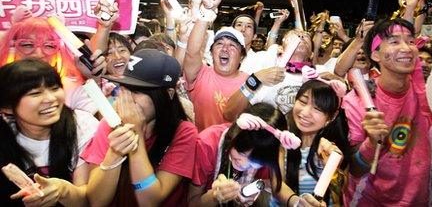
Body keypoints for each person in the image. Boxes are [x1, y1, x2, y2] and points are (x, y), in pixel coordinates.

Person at [342, 17, 432, 206]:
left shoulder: (427, 98)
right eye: (394, 41)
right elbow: (356, 169)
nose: (406, 48)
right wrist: (372, 143)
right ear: (375, 54)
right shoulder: (357, 100)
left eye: (410, 41)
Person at [83, 49, 198, 206]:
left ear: (168, 94)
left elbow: (149, 201)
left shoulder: (184, 132)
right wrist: (114, 153)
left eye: (136, 91)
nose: (127, 100)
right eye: (124, 89)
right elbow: (96, 201)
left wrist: (135, 136)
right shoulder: (109, 125)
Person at [0, 59, 99, 206]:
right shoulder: (5, 135)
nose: (51, 99)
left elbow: (88, 199)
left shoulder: (81, 125)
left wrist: (62, 190)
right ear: (7, 107)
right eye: (35, 93)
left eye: (54, 88)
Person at [184, 0, 250, 131]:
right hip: (201, 150)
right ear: (211, 52)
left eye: (232, 46)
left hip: (233, 151)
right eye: (219, 43)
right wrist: (206, 10)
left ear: (242, 55)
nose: (225, 48)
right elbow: (192, 52)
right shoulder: (200, 74)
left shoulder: (251, 83)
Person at [188, 103, 286, 206]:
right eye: (241, 153)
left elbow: (272, 185)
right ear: (234, 133)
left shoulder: (265, 152)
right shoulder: (207, 145)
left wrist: (255, 189)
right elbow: (192, 203)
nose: (243, 164)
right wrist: (214, 195)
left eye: (254, 162)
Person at [272, 77, 350, 207]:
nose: (305, 112)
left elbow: (340, 192)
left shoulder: (333, 148)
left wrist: (332, 166)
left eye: (318, 109)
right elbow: (277, 185)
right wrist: (298, 203)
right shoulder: (282, 140)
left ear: (331, 117)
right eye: (302, 102)